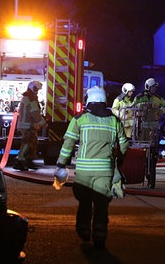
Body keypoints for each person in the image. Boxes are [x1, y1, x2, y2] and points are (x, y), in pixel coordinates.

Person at [54, 86, 129, 250]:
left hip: (83, 172)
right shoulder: (114, 120)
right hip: (104, 171)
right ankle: (100, 237)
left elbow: (68, 143)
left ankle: (83, 230)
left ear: (89, 99)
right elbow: (123, 143)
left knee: (85, 202)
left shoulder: (80, 119)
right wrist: (119, 159)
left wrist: (61, 164)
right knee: (101, 205)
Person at [14, 80, 48, 171]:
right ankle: (20, 160)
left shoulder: (28, 97)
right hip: (27, 126)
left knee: (32, 144)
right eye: (37, 89)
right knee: (27, 143)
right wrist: (44, 124)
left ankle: (28, 161)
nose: (37, 91)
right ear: (33, 88)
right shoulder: (30, 98)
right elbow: (35, 113)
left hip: (28, 125)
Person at [133, 78, 165, 153]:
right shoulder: (139, 97)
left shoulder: (158, 98)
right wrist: (143, 105)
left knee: (153, 147)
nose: (155, 89)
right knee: (142, 146)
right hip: (142, 127)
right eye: (153, 87)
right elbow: (132, 107)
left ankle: (151, 161)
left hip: (153, 128)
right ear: (148, 87)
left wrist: (160, 111)